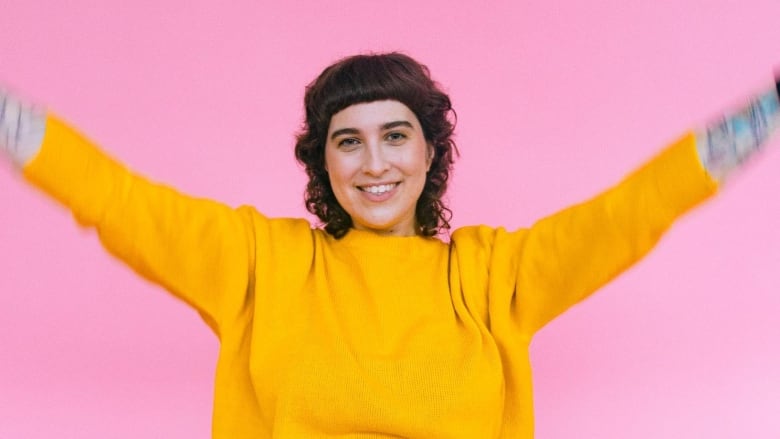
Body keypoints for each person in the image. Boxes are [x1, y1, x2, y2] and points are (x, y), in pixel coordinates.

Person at [1, 53, 778, 438]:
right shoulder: (260, 263)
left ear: (431, 152)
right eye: (348, 141)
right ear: (321, 161)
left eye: (395, 136)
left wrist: (764, 113)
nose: (374, 163)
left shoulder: (492, 275)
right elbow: (115, 199)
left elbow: (629, 214)